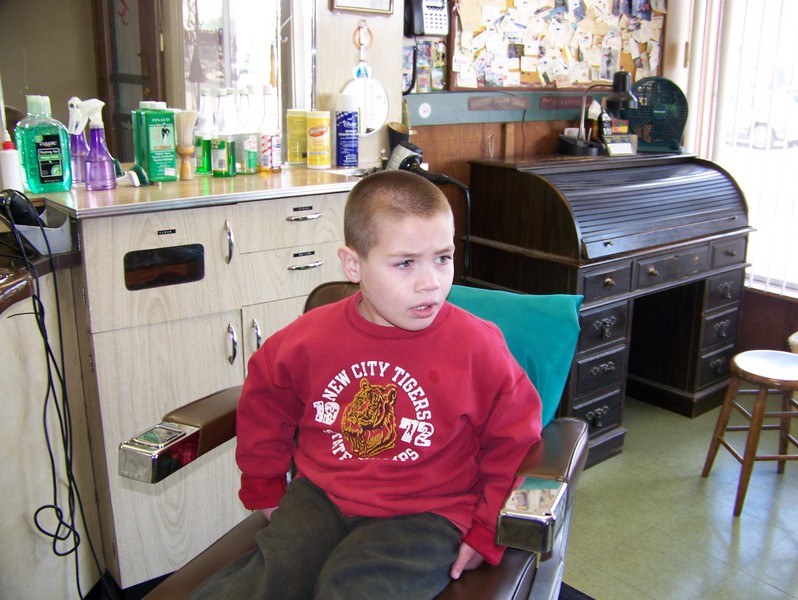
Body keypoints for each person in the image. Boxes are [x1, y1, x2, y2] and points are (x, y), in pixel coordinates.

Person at [189, 169, 542, 599]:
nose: (430, 282)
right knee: (267, 579)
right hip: (320, 497)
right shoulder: (308, 339)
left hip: (427, 512)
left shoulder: (478, 348)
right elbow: (266, 401)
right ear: (353, 265)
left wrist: (489, 529)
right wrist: (263, 484)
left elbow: (515, 444)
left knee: (354, 589)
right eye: (405, 263)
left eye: (443, 257)